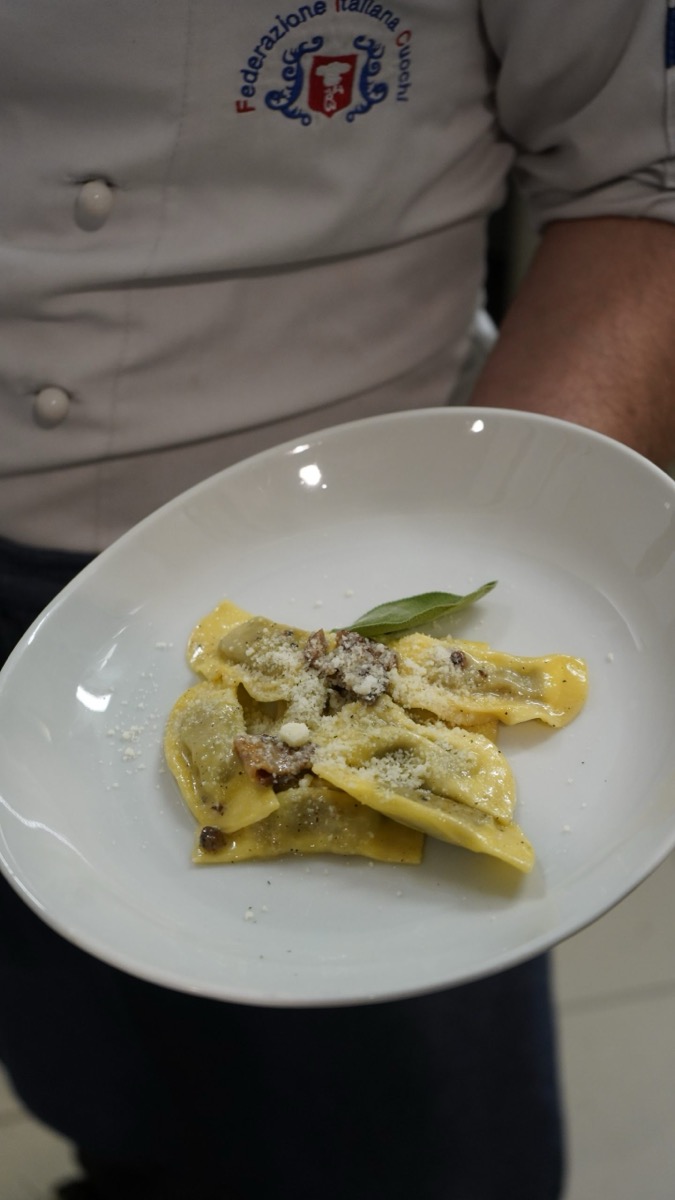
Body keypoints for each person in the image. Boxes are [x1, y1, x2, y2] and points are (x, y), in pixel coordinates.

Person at [1, 2, 675, 1198]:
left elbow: (645, 177)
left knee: (417, 1140)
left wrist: (521, 522)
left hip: (374, 498)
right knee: (102, 1068)